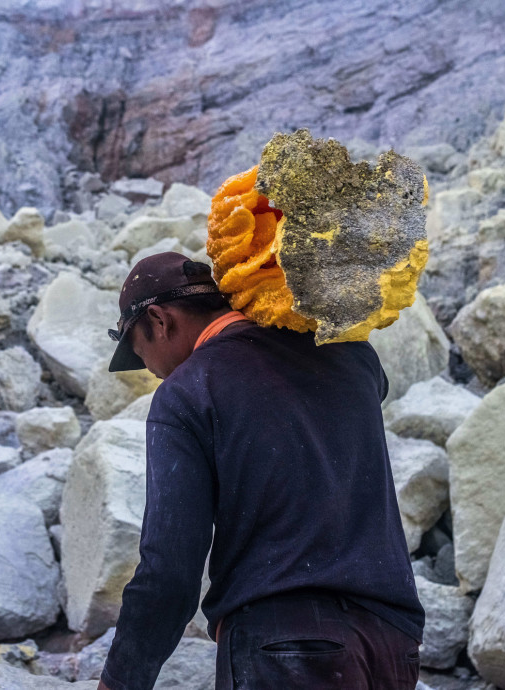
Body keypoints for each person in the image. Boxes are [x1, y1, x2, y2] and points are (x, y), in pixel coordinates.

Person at [96, 252, 424, 690]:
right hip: (393, 643)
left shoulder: (188, 391)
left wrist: (120, 681)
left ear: (159, 321)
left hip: (284, 644)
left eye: (143, 354)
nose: (155, 373)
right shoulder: (354, 357)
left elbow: (170, 570)